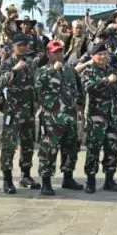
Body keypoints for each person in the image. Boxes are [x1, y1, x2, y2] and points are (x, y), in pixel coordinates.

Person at [34, 39, 84, 195]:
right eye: (55, 52)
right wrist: (52, 71)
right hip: (52, 118)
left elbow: (79, 90)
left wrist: (80, 106)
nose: (59, 54)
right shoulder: (42, 70)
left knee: (71, 148)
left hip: (69, 116)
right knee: (49, 150)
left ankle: (68, 178)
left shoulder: (70, 70)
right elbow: (37, 87)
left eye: (61, 51)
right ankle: (46, 182)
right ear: (48, 53)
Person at [0, 34, 39, 194]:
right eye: (20, 44)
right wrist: (14, 70)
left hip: (29, 110)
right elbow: (0, 83)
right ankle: (7, 179)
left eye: (26, 44)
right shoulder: (7, 63)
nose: (23, 47)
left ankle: (25, 175)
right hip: (13, 111)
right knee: (9, 145)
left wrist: (37, 102)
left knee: (28, 144)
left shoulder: (32, 64)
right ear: (13, 46)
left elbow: (36, 84)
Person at [81, 41, 117, 193]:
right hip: (96, 117)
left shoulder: (112, 70)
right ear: (93, 57)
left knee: (112, 147)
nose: (103, 57)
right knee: (93, 148)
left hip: (112, 117)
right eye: (99, 54)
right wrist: (106, 81)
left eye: (105, 54)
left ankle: (110, 180)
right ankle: (90, 181)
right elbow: (89, 88)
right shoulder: (88, 72)